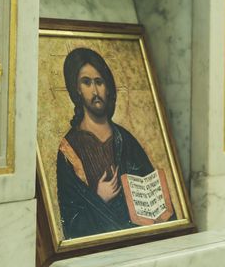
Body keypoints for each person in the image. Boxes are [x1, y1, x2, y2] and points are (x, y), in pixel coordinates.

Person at [56, 48, 155, 239]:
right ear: (77, 89)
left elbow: (154, 196)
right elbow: (70, 220)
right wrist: (98, 198)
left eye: (99, 82)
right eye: (86, 82)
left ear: (107, 88)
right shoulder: (68, 149)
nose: (94, 91)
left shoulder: (125, 140)